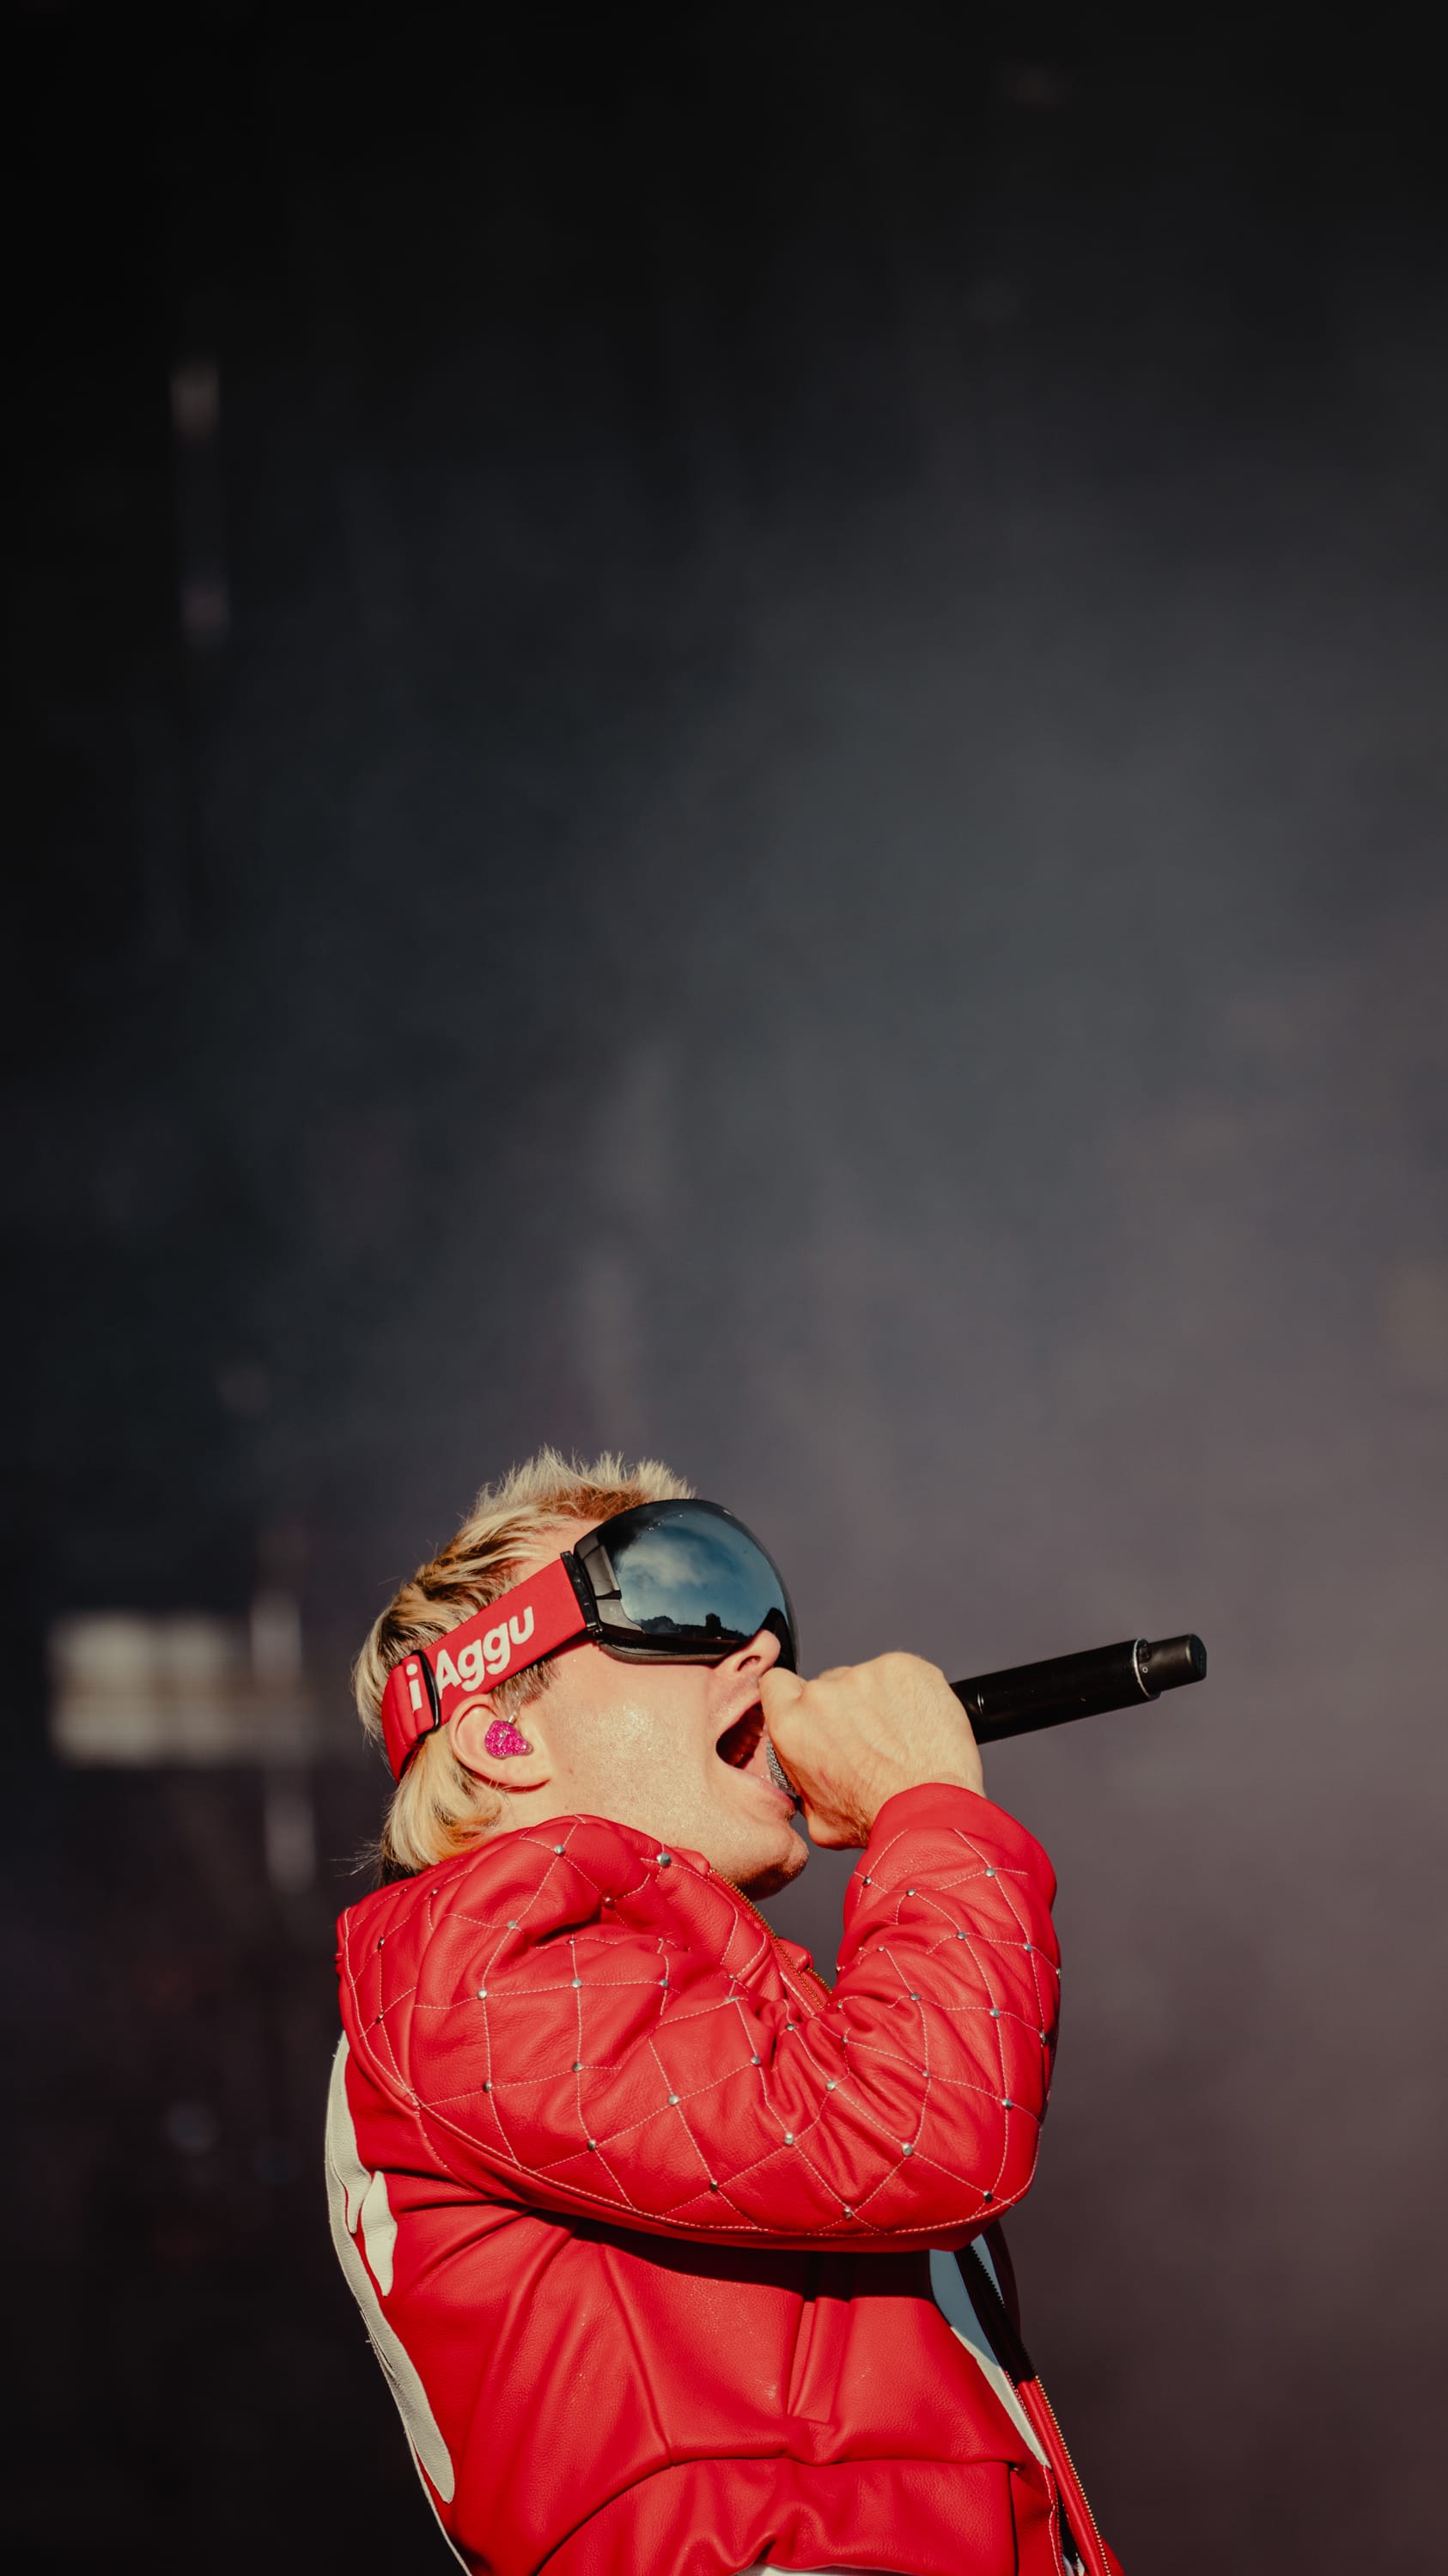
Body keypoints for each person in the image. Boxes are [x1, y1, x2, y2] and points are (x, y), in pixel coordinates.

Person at [329, 1450, 1121, 2576]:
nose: (757, 1647)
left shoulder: (714, 2010)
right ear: (503, 1735)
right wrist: (927, 1805)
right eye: (668, 1601)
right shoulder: (467, 1961)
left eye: (756, 1608)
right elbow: (924, 2132)